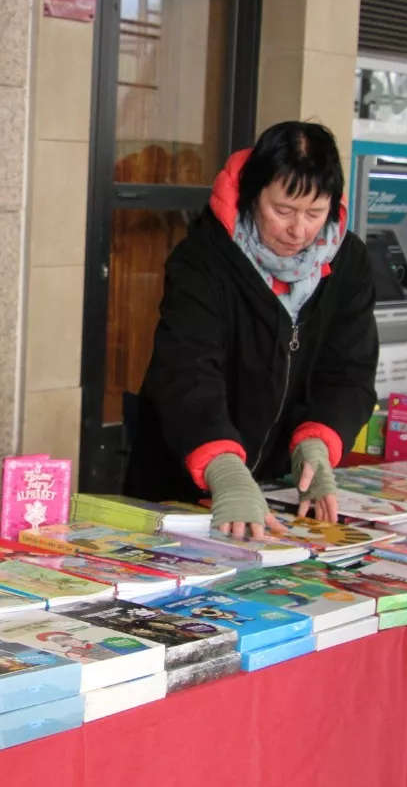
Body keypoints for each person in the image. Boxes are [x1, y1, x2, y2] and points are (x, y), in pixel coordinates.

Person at [123, 121, 377, 539]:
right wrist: (221, 464)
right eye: (283, 211)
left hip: (281, 491)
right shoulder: (204, 258)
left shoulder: (349, 263)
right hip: (184, 481)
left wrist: (320, 438)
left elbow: (349, 370)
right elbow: (186, 370)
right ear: (252, 195)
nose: (299, 230)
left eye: (315, 213)